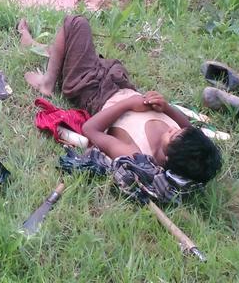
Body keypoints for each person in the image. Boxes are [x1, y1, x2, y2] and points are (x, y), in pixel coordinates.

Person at [21, 15, 222, 184]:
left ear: (167, 157)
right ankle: (45, 49)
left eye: (174, 135)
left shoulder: (134, 153)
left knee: (75, 23)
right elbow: (190, 129)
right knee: (76, 48)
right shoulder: (182, 139)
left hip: (90, 88)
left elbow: (90, 130)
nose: (175, 128)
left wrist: (128, 104)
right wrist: (166, 107)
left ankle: (47, 83)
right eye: (181, 130)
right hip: (117, 81)